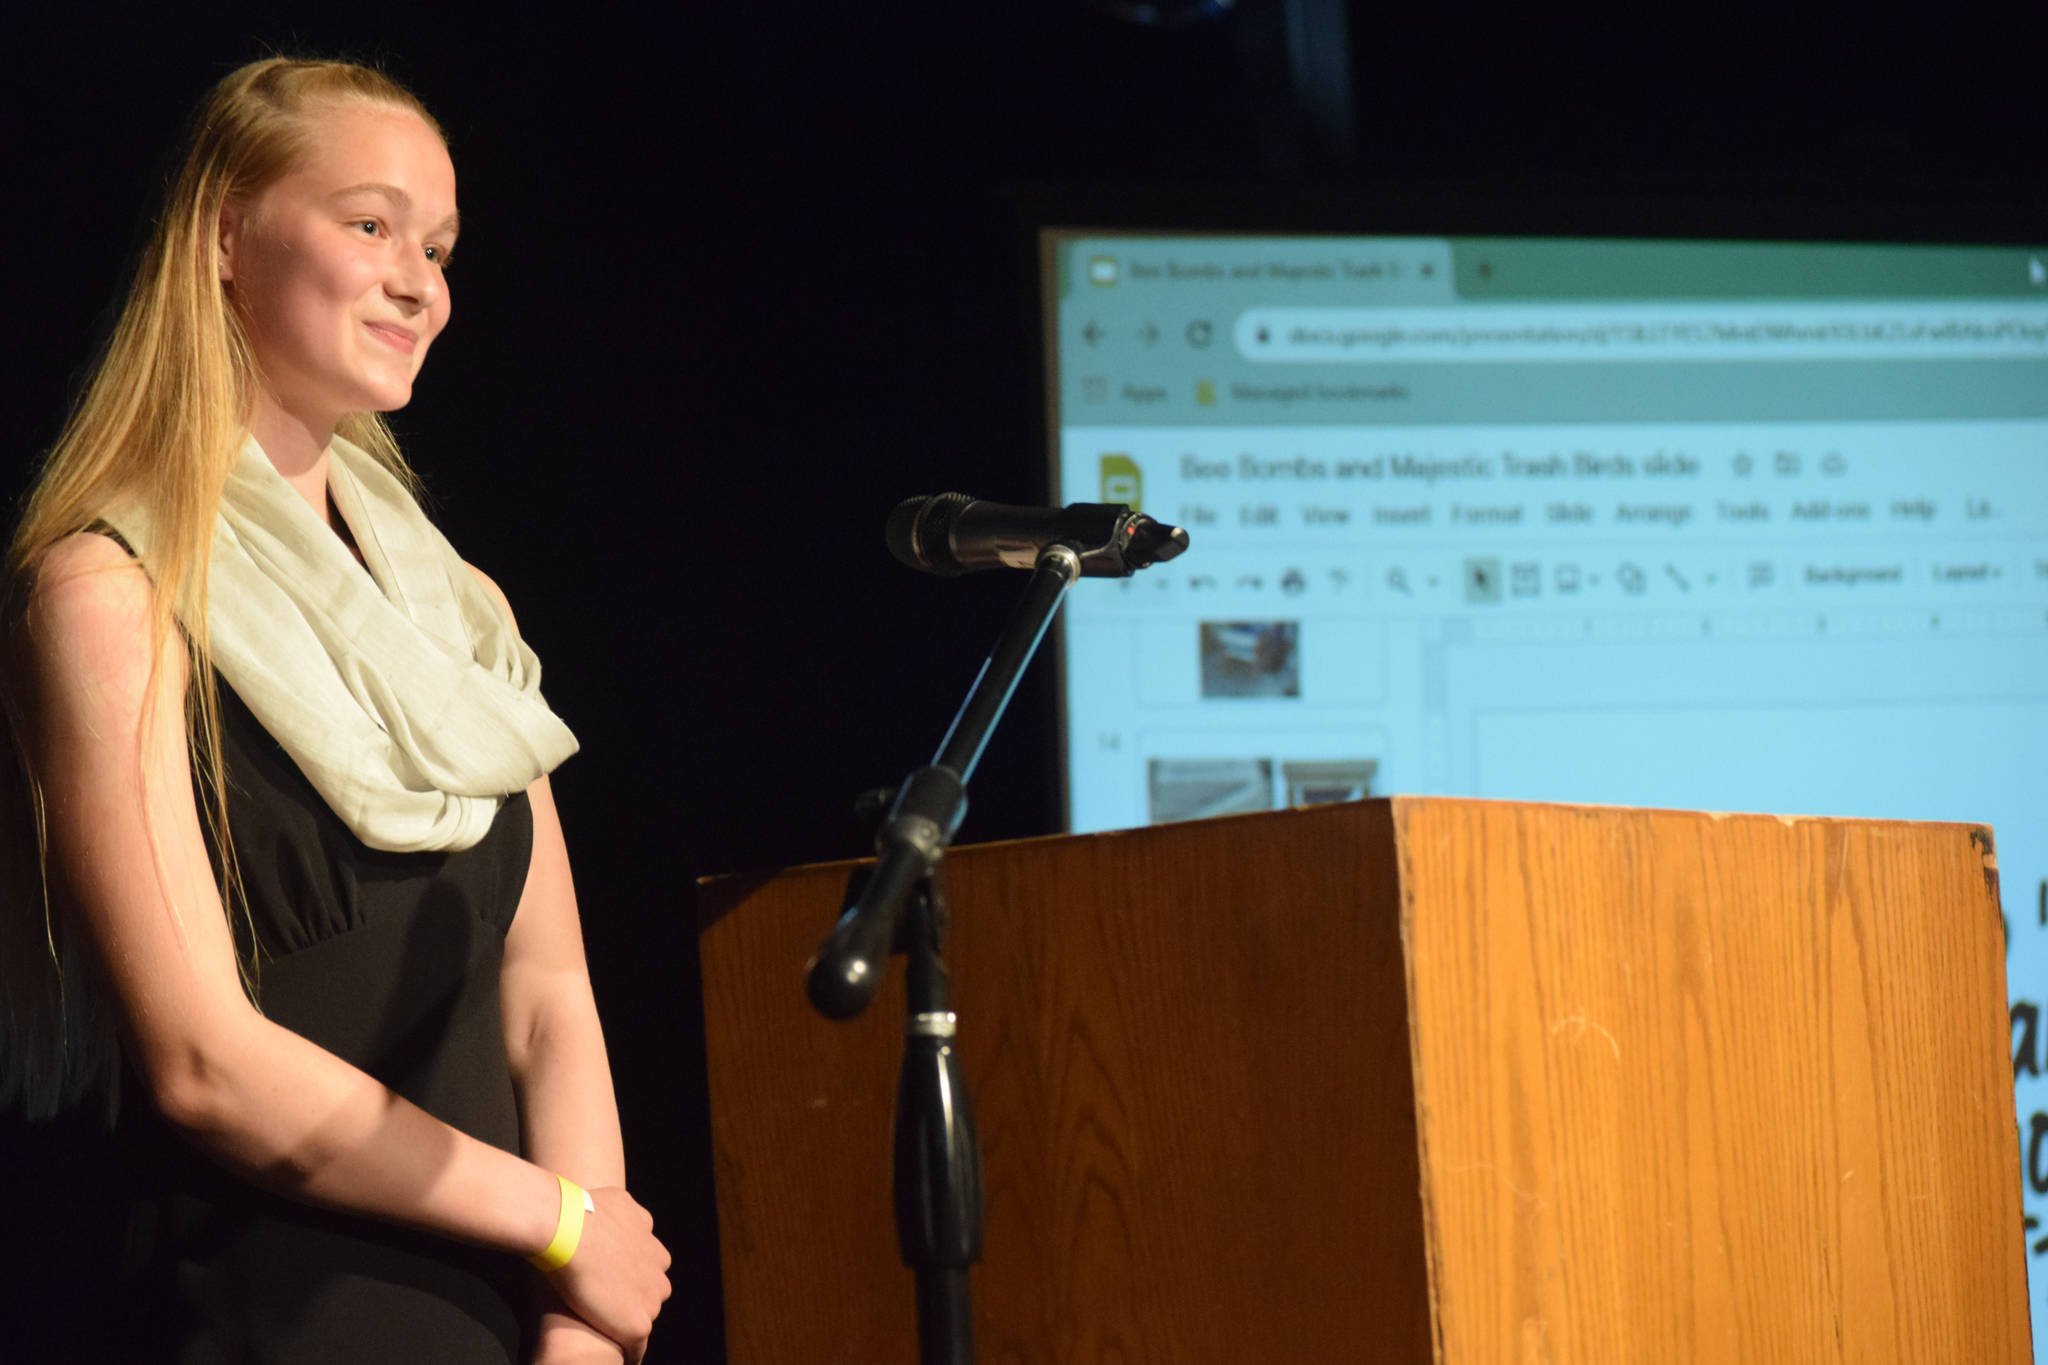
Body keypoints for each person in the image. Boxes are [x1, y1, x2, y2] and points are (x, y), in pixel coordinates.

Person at [0, 56, 671, 1363]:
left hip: (519, 1328)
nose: (421, 280)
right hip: (275, 1322)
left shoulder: (459, 599)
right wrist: (559, 1219)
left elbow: (548, 989)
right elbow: (204, 1061)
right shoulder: (106, 597)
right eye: (371, 225)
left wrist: (581, 1323)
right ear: (225, 239)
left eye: (439, 243)